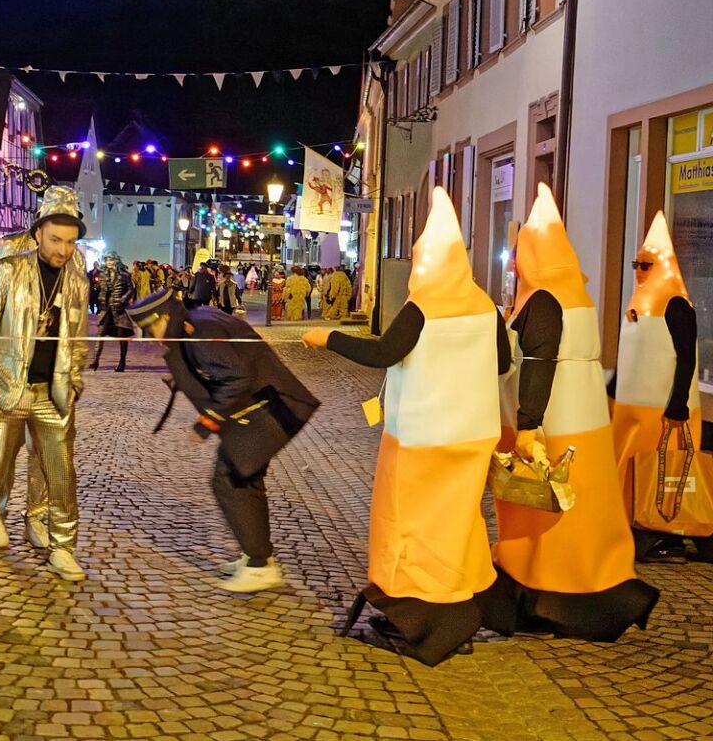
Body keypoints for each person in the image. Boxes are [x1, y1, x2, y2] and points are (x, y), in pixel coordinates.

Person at [303, 189, 509, 666]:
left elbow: (382, 354)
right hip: (473, 434)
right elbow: (500, 362)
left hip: (422, 435)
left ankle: (419, 620)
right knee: (458, 523)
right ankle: (460, 610)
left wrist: (327, 336)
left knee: (410, 526)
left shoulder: (423, 307)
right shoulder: (485, 306)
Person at [487, 183, 659, 641]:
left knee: (546, 520)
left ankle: (547, 600)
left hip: (553, 427)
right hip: (585, 427)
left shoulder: (542, 299)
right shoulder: (575, 295)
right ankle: (589, 590)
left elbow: (540, 364)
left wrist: (528, 426)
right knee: (580, 519)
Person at [127, 288, 320, 592]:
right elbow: (222, 362)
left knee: (230, 479)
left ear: (164, 316)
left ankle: (259, 566)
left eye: (151, 328)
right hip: (270, 406)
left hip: (270, 409)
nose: (151, 337)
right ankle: (257, 557)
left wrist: (207, 422)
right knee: (244, 479)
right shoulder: (196, 320)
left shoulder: (198, 331)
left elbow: (235, 376)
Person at [0, 186, 90, 587]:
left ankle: (62, 548)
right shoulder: (10, 271)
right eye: (55, 240)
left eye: (69, 241)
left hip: (53, 394)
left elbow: (79, 340)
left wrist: (74, 382)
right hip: (4, 390)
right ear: (38, 234)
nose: (62, 250)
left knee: (62, 474)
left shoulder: (78, 282)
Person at [609, 212, 713, 563]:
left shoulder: (676, 305)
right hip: (633, 411)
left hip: (663, 410)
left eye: (646, 264)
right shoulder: (639, 302)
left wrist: (678, 406)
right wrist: (612, 389)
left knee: (663, 471)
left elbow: (686, 358)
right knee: (636, 470)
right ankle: (635, 526)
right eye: (637, 263)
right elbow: (633, 353)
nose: (639, 270)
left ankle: (665, 535)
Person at [92, 251, 134, 372]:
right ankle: (95, 360)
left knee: (122, 335)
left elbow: (130, 289)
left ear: (116, 261)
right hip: (106, 308)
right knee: (100, 333)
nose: (109, 262)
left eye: (112, 260)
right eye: (107, 260)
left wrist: (123, 299)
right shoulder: (102, 274)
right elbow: (97, 289)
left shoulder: (124, 275)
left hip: (119, 307)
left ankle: (122, 362)